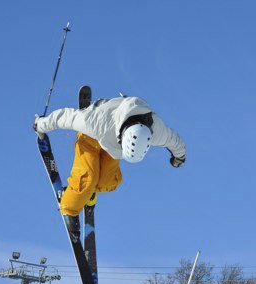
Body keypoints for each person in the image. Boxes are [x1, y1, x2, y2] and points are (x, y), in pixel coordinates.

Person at [34, 95, 186, 223]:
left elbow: (175, 141)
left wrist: (179, 157)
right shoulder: (95, 121)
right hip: (90, 139)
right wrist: (40, 125)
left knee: (109, 181)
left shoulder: (156, 130)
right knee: (87, 180)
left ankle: (89, 194)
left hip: (112, 149)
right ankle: (70, 207)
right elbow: (65, 118)